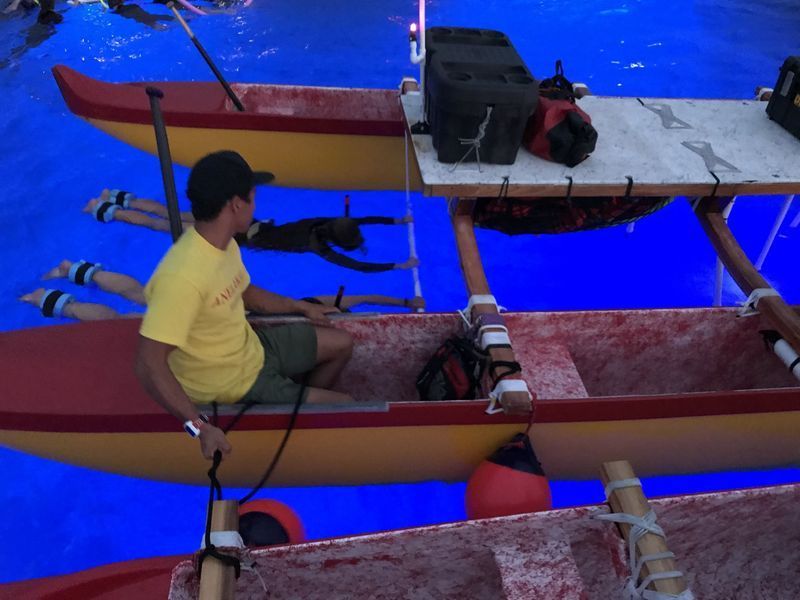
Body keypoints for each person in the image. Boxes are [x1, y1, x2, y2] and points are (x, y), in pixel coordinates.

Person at [134, 150, 358, 461]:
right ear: (237, 205)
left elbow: (244, 291)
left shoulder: (222, 244)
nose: (256, 206)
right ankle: (296, 416)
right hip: (228, 382)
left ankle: (296, 413)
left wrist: (302, 307)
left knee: (343, 343)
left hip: (251, 347)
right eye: (253, 198)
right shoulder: (181, 278)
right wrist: (199, 427)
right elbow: (148, 363)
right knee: (348, 405)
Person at [85, 191, 418, 273]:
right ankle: (109, 212)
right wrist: (397, 266)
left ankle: (119, 198)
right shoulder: (318, 246)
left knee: (181, 215)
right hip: (242, 236)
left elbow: (362, 220)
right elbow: (357, 266)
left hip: (248, 222)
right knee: (167, 227)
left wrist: (396, 221)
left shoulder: (325, 221)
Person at [19, 259, 425, 321]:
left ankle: (75, 270)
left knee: (142, 297)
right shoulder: (320, 314)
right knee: (130, 321)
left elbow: (366, 298)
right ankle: (52, 300)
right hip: (213, 320)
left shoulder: (316, 306)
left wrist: (407, 302)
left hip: (218, 301)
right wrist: (405, 302)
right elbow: (367, 300)